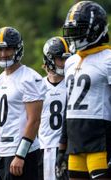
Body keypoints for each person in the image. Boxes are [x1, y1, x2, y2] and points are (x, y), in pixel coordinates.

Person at [59, 1, 111, 179]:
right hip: (75, 140)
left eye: (80, 29)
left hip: (101, 139)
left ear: (96, 29)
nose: (73, 35)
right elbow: (68, 107)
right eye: (72, 29)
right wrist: (62, 147)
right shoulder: (71, 61)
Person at [0, 26, 47, 180]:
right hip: (0, 153)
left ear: (17, 49)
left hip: (22, 153)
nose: (3, 54)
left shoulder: (30, 78)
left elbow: (34, 120)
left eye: (8, 49)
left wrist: (20, 155)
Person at [38, 36, 70, 180]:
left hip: (67, 148)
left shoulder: (73, 83)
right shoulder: (37, 86)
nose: (65, 63)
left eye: (68, 59)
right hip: (42, 148)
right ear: (50, 59)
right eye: (61, 59)